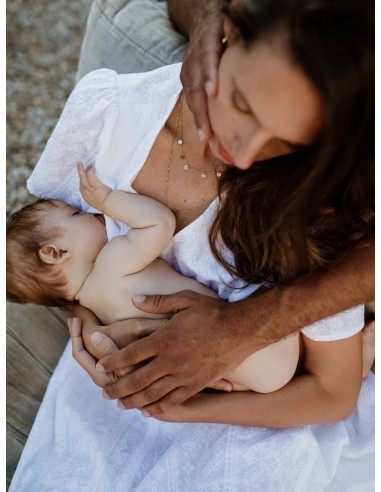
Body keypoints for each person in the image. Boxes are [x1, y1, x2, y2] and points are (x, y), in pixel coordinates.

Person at [9, 0, 374, 490]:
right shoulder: (104, 117)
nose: (243, 151)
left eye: (286, 142)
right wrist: (98, 336)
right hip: (125, 388)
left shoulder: (311, 210)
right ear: (225, 31)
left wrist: (188, 408)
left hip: (248, 416)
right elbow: (55, 272)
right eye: (242, 103)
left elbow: (332, 392)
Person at [7, 161, 300, 393]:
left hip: (249, 381)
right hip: (264, 344)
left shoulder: (99, 313)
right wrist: (108, 199)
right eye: (76, 214)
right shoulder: (110, 263)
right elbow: (158, 223)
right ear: (55, 253)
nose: (93, 213)